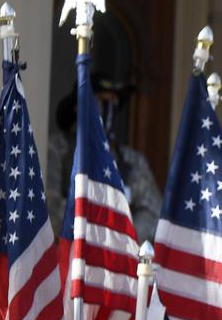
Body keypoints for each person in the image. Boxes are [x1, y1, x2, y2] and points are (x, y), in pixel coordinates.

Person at [47, 74, 162, 242]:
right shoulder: (57, 149)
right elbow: (51, 208)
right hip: (71, 256)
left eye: (112, 102)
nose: (107, 108)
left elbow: (153, 214)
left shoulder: (132, 162)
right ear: (77, 106)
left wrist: (121, 237)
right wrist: (96, 229)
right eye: (100, 101)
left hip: (118, 259)